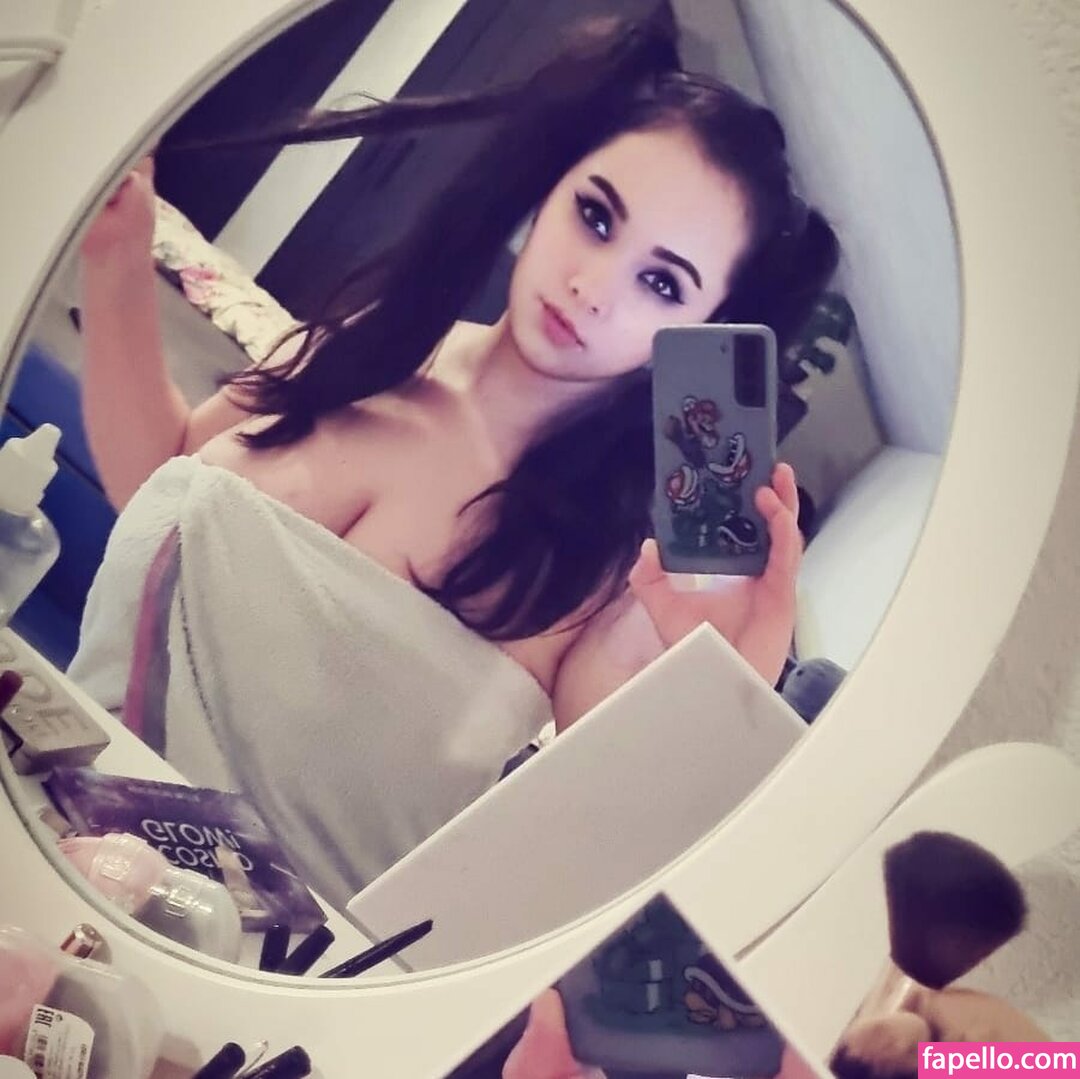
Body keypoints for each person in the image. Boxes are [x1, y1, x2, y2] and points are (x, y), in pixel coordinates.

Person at [69, 12, 839, 905]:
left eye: (662, 283)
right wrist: (117, 258)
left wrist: (727, 680)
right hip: (53, 815)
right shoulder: (378, 339)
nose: (594, 287)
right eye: (596, 216)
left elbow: (601, 840)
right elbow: (160, 473)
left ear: (701, 334)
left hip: (230, 968)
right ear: (550, 189)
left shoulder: (608, 575)